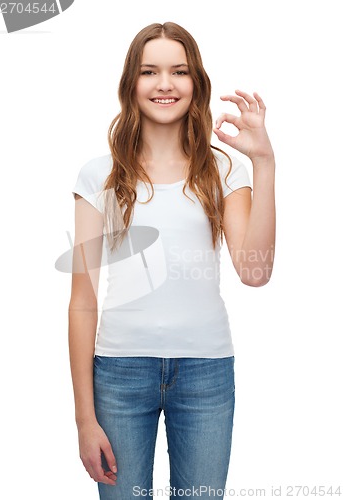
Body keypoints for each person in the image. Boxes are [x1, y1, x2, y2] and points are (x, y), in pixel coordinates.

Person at [68, 21, 276, 500]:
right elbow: (82, 299)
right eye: (150, 71)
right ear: (131, 84)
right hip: (119, 373)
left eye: (179, 71)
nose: (165, 83)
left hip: (205, 373)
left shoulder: (225, 169)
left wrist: (263, 163)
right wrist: (84, 419)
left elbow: (256, 271)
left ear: (196, 83)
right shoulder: (98, 175)